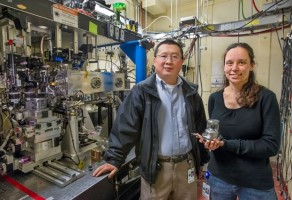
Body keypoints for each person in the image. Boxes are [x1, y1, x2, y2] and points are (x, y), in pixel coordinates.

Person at [93, 39, 209, 200]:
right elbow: (126, 127)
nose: (169, 61)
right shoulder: (141, 92)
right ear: (154, 60)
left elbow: (200, 128)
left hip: (186, 166)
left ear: (181, 61)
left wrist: (201, 159)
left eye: (175, 56)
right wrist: (114, 159)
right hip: (156, 167)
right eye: (163, 56)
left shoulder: (191, 93)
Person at [196, 43, 281, 200]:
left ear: (252, 65)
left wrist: (227, 144)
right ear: (224, 66)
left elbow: (271, 145)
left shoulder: (266, 98)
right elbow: (217, 134)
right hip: (219, 178)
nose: (234, 68)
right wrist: (210, 142)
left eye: (241, 62)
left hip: (255, 182)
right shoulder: (215, 98)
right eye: (229, 63)